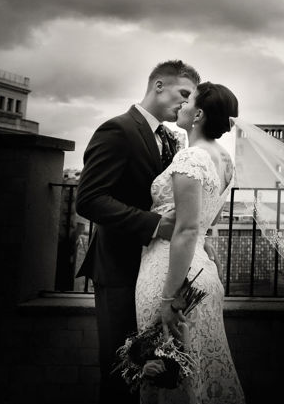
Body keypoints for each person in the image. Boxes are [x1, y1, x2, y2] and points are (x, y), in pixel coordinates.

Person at [76, 60, 200, 404]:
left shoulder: (170, 139)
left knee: (154, 370)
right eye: (183, 93)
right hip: (119, 268)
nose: (186, 104)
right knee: (121, 369)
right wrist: (155, 225)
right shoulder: (117, 129)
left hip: (155, 271)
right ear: (159, 85)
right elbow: (89, 199)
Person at [135, 81, 245, 403]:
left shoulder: (191, 158)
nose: (181, 104)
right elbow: (207, 221)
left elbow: (184, 229)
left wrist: (169, 297)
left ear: (197, 114)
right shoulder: (225, 159)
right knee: (200, 371)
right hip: (203, 276)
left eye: (188, 100)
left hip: (173, 275)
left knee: (170, 377)